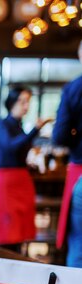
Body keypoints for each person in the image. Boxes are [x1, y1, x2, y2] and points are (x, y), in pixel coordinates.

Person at [0, 86, 51, 252]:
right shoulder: (2, 125)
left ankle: (18, 270)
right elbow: (11, 147)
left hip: (22, 181)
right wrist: (36, 129)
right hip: (7, 184)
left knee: (21, 233)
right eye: (22, 101)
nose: (26, 106)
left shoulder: (19, 127)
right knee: (8, 232)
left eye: (28, 102)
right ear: (12, 102)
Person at [52, 40, 82, 266]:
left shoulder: (73, 89)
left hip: (80, 172)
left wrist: (76, 139)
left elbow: (60, 136)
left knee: (79, 246)